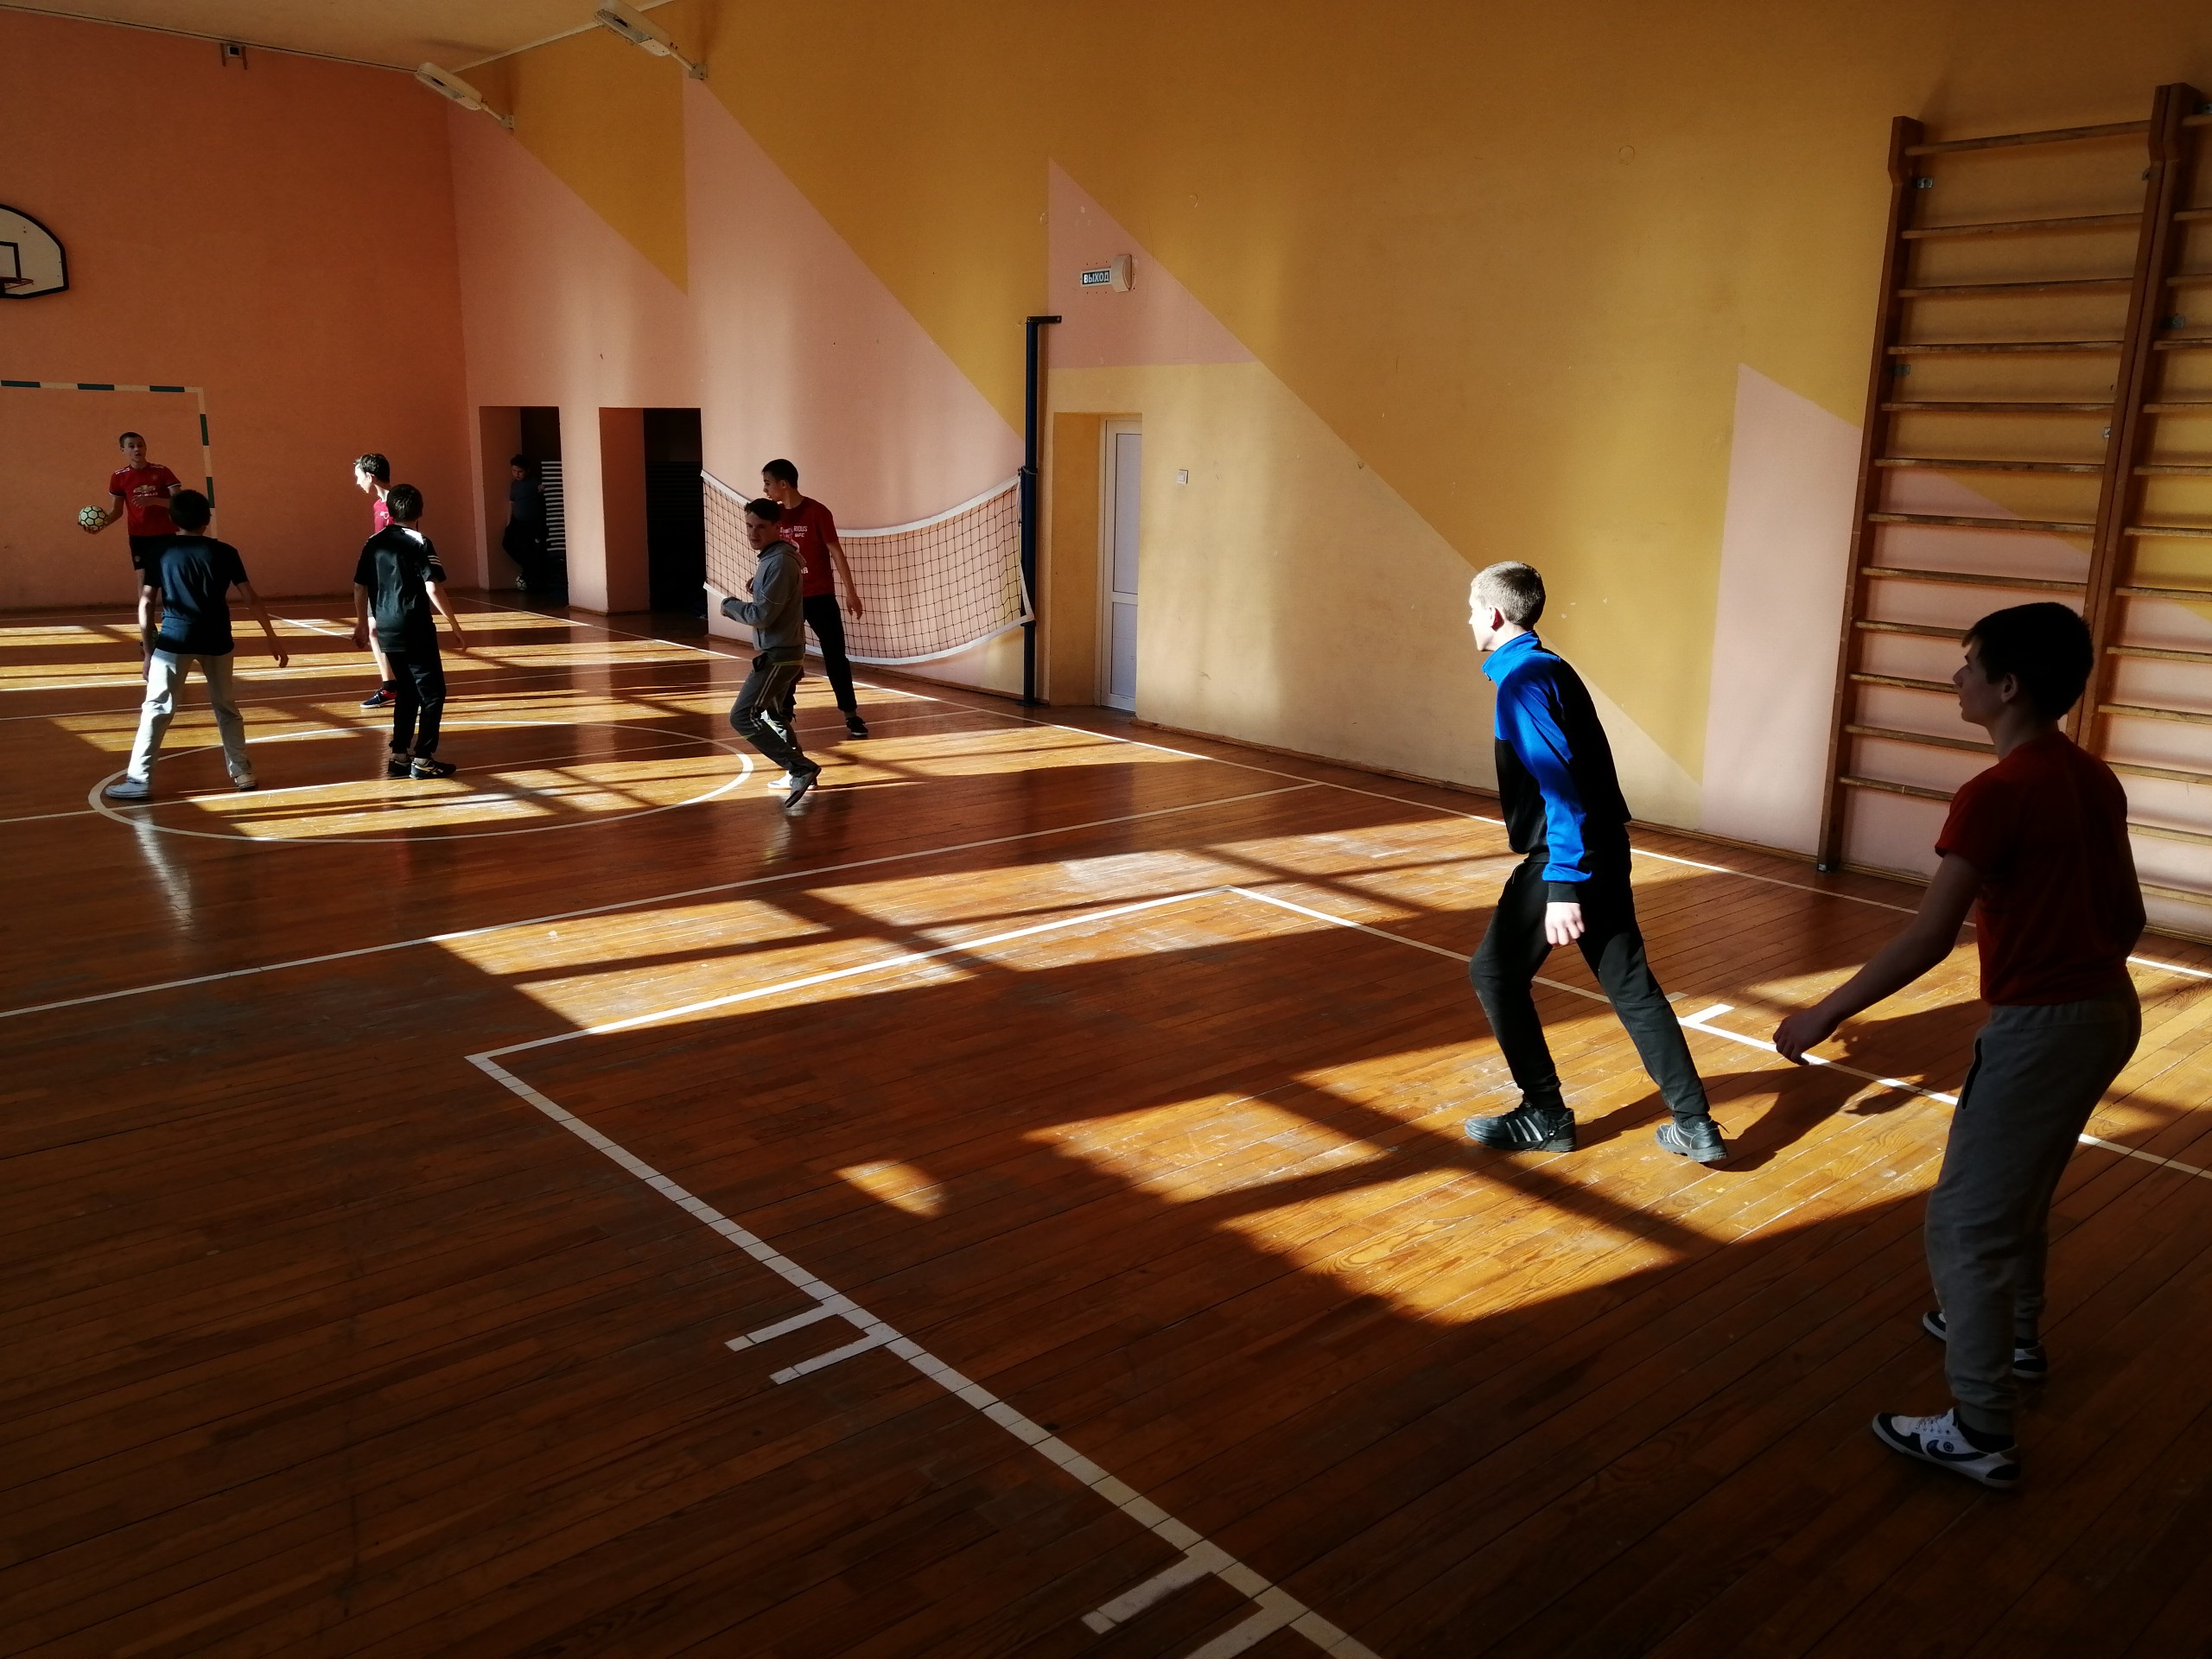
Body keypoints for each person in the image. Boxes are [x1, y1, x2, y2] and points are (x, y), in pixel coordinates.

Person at [1775, 602, 2144, 1491]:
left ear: (2006, 686)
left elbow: (1927, 937)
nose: (1957, 676)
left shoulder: (1996, 794)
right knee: (2018, 1190)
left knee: (1964, 1224)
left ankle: (1980, 1429)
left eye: (1968, 663)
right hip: (2106, 1012)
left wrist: (1821, 1013)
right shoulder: (2092, 776)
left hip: (2044, 1029)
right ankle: (2013, 1337)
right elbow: (2128, 915)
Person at [1460, 561, 1730, 1164]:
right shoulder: (1549, 668)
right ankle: (1695, 1125)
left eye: (1473, 609)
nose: (1469, 619)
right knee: (1633, 988)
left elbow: (1560, 787)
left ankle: (1545, 1113)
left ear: (1495, 614)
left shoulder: (1522, 682)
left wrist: (1562, 885)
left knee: (1494, 974)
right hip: (1603, 847)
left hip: (1566, 855)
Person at [103, 489, 289, 802]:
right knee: (226, 708)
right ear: (207, 518)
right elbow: (250, 597)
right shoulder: (226, 552)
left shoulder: (160, 551)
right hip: (218, 640)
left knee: (157, 708)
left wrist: (148, 651)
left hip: (174, 640)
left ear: (172, 519)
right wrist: (272, 636)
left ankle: (139, 779)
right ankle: (242, 772)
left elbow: (146, 602)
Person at [352, 484, 468, 779]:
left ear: (389, 512)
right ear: (420, 511)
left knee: (406, 691)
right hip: (415, 627)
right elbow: (432, 587)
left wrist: (362, 622)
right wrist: (454, 624)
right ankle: (424, 759)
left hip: (386, 627)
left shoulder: (372, 542)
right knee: (433, 693)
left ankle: (399, 756)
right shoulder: (420, 542)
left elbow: (359, 586)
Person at [713, 499, 821, 808]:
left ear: (777, 527)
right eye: (749, 526)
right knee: (775, 716)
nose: (753, 533)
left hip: (779, 655)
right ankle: (797, 772)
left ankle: (800, 768)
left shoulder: (780, 562)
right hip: (781, 651)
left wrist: (729, 605)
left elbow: (762, 615)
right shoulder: (772, 559)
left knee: (742, 717)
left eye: (761, 526)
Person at [760, 459, 868, 738]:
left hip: (820, 596)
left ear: (784, 484)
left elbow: (836, 553)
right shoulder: (774, 516)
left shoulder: (817, 512)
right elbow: (771, 555)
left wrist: (851, 593)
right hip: (788, 599)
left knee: (835, 656)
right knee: (787, 655)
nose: (765, 489)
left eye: (768, 483)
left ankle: (851, 714)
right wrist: (759, 580)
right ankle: (784, 710)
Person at [92, 431, 183, 582]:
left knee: (169, 577)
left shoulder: (162, 471)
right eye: (131, 446)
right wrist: (99, 525)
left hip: (165, 533)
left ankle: (171, 598)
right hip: (139, 535)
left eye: (140, 445)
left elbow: (180, 502)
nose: (136, 449)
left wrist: (154, 501)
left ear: (145, 448)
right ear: (123, 450)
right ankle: (144, 599)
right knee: (144, 579)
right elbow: (116, 511)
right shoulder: (119, 477)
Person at [353, 454, 402, 709]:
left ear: (370, 476)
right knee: (372, 629)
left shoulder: (399, 502)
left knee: (399, 633)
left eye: (359, 477)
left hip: (397, 581)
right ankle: (390, 686)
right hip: (378, 579)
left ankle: (411, 684)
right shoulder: (377, 506)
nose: (357, 482)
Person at [502, 454, 549, 593]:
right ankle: (527, 566)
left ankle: (532, 575)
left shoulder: (535, 483)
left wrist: (542, 489)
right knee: (507, 543)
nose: (517, 474)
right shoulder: (514, 485)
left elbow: (543, 495)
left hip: (532, 523)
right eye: (514, 471)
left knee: (530, 548)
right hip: (517, 522)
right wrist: (509, 522)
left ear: (527, 471)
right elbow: (512, 503)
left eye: (520, 471)